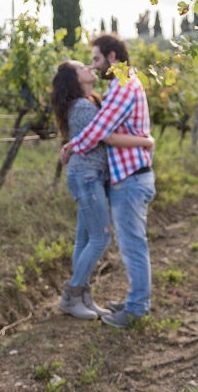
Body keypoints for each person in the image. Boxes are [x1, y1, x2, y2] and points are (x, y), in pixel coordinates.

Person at [61, 34, 155, 329]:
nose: (94, 65)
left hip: (130, 179)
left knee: (131, 246)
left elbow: (100, 131)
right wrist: (145, 140)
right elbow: (105, 132)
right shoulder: (119, 85)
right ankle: (130, 302)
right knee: (124, 243)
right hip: (124, 178)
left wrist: (71, 145)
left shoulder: (123, 84)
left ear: (112, 57)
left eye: (97, 59)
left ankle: (136, 308)